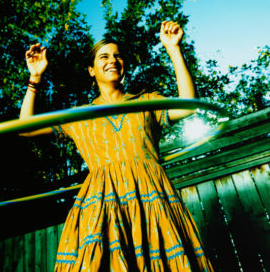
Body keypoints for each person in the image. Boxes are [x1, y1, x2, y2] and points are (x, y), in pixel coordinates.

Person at [20, 21, 214, 271]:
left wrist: (174, 49)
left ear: (124, 66)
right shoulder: (79, 116)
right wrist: (35, 78)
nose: (112, 60)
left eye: (117, 56)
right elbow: (26, 127)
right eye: (103, 56)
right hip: (102, 201)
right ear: (91, 70)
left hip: (151, 196)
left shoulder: (146, 102)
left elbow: (188, 104)